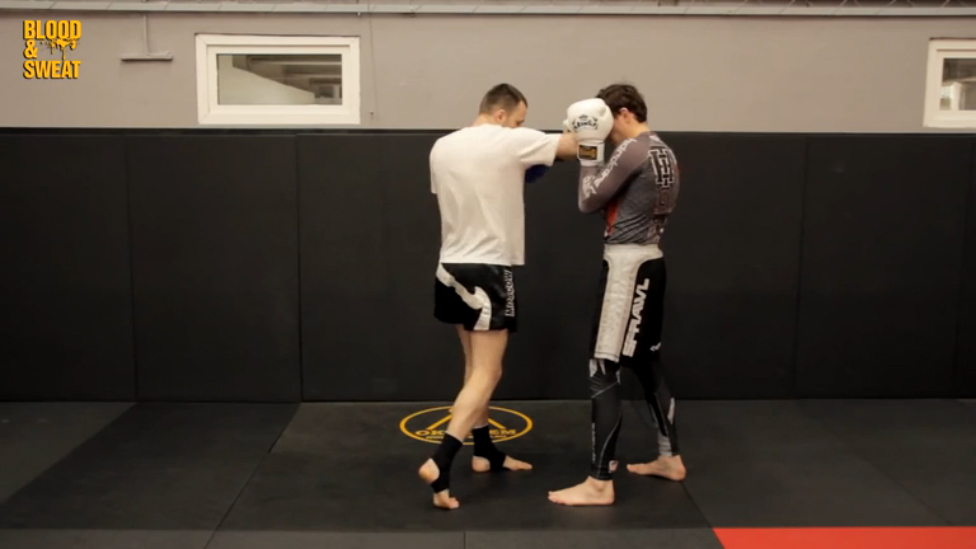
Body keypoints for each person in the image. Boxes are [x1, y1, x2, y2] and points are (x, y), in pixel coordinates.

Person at [419, 83, 578, 510]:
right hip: (486, 269)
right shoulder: (508, 140)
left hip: (449, 266)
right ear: (502, 114)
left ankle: (485, 451)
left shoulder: (441, 147)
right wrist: (583, 123)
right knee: (489, 372)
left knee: (473, 368)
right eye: (520, 121)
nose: (522, 128)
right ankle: (440, 461)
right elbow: (577, 147)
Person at [548, 84, 686, 507]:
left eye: (607, 123)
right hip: (652, 260)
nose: (606, 131)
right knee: (645, 361)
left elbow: (588, 200)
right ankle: (669, 458)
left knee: (603, 367)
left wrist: (589, 149)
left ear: (623, 113)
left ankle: (599, 481)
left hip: (627, 267)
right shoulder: (663, 150)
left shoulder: (632, 149)